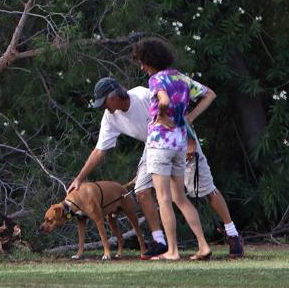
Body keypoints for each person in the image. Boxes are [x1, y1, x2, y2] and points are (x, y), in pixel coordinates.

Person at [68, 73, 244, 259]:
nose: (103, 107)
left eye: (104, 102)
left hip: (180, 137)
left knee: (203, 189)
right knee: (142, 190)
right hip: (153, 145)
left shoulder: (143, 96)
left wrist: (191, 144)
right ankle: (160, 242)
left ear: (115, 97)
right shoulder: (110, 117)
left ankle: (232, 234)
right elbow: (99, 150)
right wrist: (79, 178)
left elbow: (178, 115)